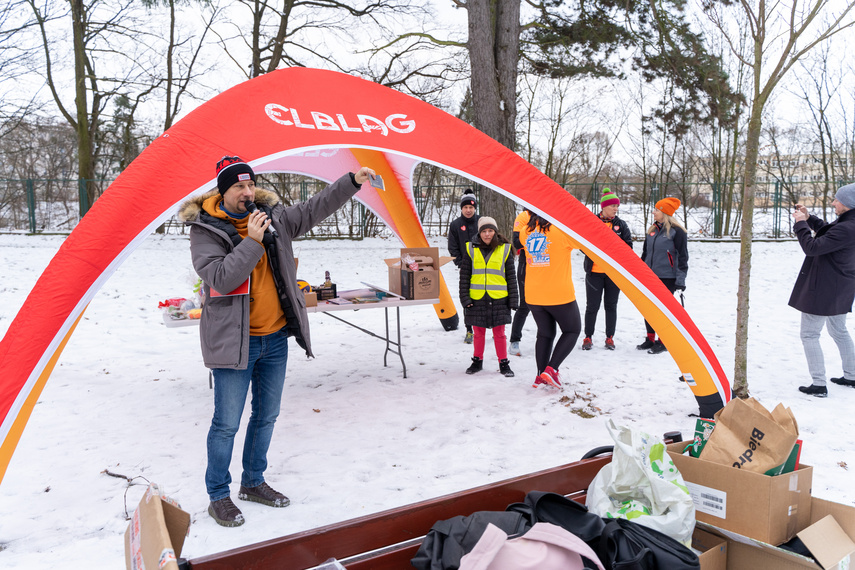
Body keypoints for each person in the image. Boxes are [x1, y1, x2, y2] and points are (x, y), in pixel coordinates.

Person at [180, 155, 374, 527]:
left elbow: (316, 207)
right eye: (239, 186)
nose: (248, 192)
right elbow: (220, 277)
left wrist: (352, 180)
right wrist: (252, 241)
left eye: (251, 185)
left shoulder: (275, 218)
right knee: (226, 424)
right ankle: (218, 495)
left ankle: (253, 482)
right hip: (234, 344)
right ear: (224, 191)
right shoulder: (205, 230)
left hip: (275, 339)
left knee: (266, 416)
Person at [789, 184, 855, 398]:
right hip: (840, 286)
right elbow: (830, 233)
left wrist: (800, 224)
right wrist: (809, 218)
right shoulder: (849, 223)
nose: (833, 203)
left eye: (837, 200)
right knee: (839, 331)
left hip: (824, 288)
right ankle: (852, 375)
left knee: (809, 334)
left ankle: (818, 383)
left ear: (848, 203)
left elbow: (813, 247)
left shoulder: (847, 227)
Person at [518, 212, 582, 388]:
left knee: (545, 333)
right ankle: (551, 370)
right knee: (572, 330)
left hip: (534, 295)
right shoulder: (563, 232)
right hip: (558, 294)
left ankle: (540, 376)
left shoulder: (525, 231)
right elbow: (584, 240)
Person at [459, 217, 519, 377]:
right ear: (479, 233)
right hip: (477, 298)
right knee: (478, 333)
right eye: (484, 231)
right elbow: (464, 276)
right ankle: (477, 361)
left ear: (495, 232)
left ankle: (503, 363)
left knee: (499, 333)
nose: (487, 234)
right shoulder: (470, 249)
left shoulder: (505, 249)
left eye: (490, 231)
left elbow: (511, 278)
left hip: (499, 298)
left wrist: (513, 300)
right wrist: (465, 298)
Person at [581, 189, 633, 351]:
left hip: (613, 274)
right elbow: (582, 245)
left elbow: (628, 246)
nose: (615, 209)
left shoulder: (621, 225)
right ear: (603, 207)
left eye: (616, 206)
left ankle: (610, 337)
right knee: (592, 306)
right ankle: (588, 336)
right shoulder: (591, 222)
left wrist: (615, 251)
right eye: (612, 206)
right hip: (594, 274)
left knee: (611, 306)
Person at [637, 197, 688, 355]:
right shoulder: (652, 230)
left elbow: (682, 257)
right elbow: (645, 254)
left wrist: (680, 281)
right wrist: (639, 272)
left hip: (667, 277)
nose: (653, 212)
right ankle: (650, 338)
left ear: (665, 213)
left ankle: (664, 341)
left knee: (663, 311)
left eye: (657, 210)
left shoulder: (677, 232)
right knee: (649, 309)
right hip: (649, 276)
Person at [448, 191, 481, 344]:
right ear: (461, 208)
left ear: (475, 208)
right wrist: (461, 264)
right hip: (466, 270)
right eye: (465, 207)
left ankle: (490, 328)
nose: (468, 210)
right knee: (467, 299)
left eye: (471, 207)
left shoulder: (482, 222)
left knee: (485, 299)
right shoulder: (455, 225)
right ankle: (469, 330)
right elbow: (453, 248)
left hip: (484, 269)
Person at [509, 208, 532, 356]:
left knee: (546, 305)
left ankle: (545, 339)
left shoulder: (548, 214)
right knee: (525, 304)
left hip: (546, 265)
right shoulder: (524, 216)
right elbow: (516, 242)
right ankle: (514, 341)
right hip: (527, 264)